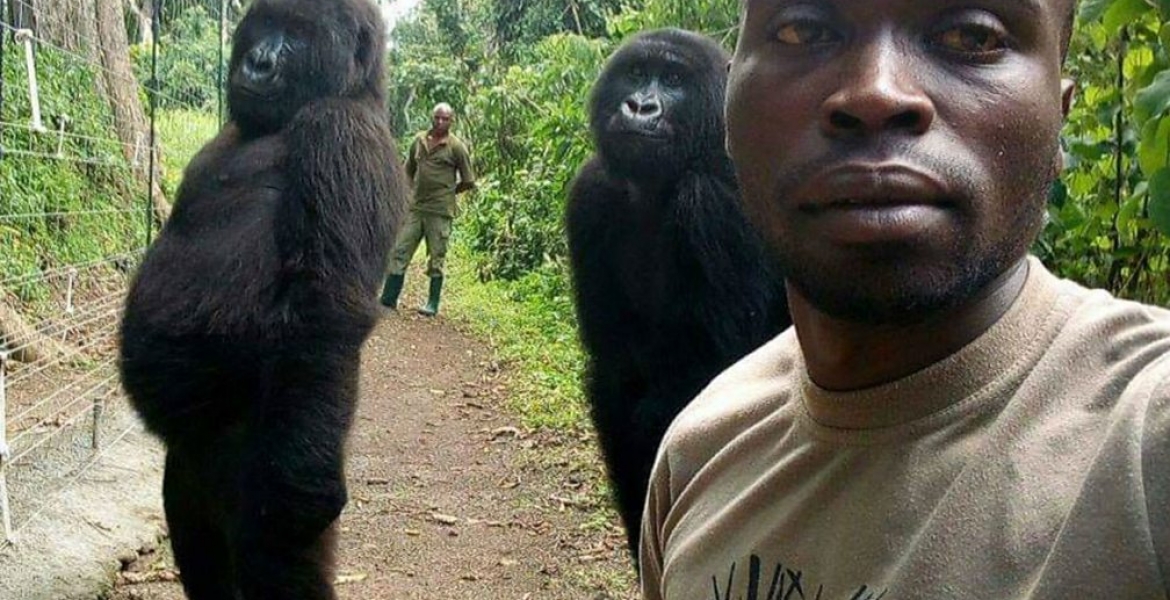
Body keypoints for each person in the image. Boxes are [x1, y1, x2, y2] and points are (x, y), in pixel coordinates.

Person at [640, 1, 1170, 598]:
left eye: (973, 35)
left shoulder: (1145, 436)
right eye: (802, 29)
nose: (875, 92)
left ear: (1059, 120)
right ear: (730, 112)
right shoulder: (702, 454)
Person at [380, 102, 476, 316]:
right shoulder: (419, 141)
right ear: (432, 118)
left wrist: (449, 192)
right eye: (437, 118)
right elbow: (407, 172)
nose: (440, 122)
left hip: (440, 212)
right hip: (415, 208)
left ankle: (432, 303)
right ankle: (388, 299)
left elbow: (469, 180)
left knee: (436, 256)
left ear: (452, 121)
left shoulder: (456, 147)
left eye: (445, 119)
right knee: (399, 251)